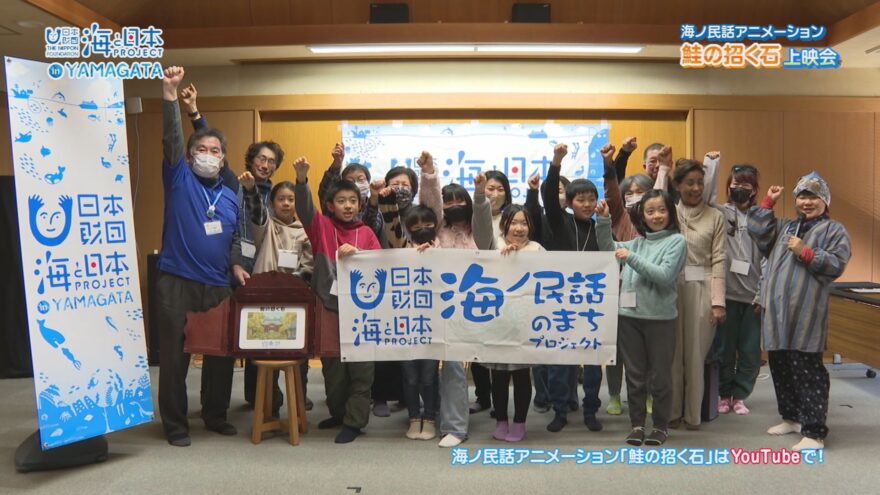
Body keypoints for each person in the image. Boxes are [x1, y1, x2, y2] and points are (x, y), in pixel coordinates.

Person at [156, 66, 248, 447]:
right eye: (201, 151)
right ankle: (176, 425)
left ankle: (214, 415)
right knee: (175, 361)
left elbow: (236, 238)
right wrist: (171, 97)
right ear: (190, 157)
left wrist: (238, 263)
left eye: (215, 152)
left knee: (220, 356)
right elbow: (174, 140)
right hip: (176, 280)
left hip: (217, 285)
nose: (207, 155)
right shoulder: (179, 179)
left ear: (223, 160)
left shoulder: (229, 194)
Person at [748, 172, 851, 451]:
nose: (807, 202)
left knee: (808, 370)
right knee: (780, 366)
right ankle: (792, 418)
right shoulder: (786, 227)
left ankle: (814, 431)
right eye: (803, 196)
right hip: (777, 314)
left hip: (806, 314)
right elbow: (757, 230)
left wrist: (806, 252)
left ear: (825, 201)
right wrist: (768, 200)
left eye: (813, 197)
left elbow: (837, 264)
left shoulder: (835, 230)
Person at [293, 156, 382, 443]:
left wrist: (359, 256)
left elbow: (382, 267)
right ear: (331, 205)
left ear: (359, 204)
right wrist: (302, 180)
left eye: (353, 201)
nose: (347, 206)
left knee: (360, 369)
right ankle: (339, 412)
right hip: (328, 307)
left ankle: (354, 422)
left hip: (361, 311)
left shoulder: (366, 232)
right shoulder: (321, 227)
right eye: (341, 201)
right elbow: (305, 210)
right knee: (333, 368)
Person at [416, 151, 495, 447]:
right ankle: (430, 415)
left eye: (458, 199)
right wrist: (429, 171)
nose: (453, 205)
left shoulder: (480, 232)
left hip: (471, 310)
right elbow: (430, 204)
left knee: (453, 368)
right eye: (448, 201)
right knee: (427, 368)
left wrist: (477, 195)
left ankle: (455, 427)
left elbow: (484, 223)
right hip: (434, 306)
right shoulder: (437, 230)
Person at [595, 190, 687, 446]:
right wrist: (602, 221)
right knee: (634, 376)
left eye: (661, 210)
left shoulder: (677, 241)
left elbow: (664, 276)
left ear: (670, 213)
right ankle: (636, 425)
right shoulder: (637, 243)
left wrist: (631, 258)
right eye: (650, 211)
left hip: (660, 319)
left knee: (660, 377)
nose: (656, 216)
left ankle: (660, 426)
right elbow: (607, 248)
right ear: (642, 215)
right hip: (629, 318)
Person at [240, 174, 315, 417]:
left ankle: (298, 403)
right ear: (272, 203)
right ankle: (269, 406)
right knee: (266, 353)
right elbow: (256, 212)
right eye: (280, 199)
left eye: (291, 199)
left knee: (299, 356)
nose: (286, 203)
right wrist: (251, 190)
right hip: (266, 300)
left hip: (294, 301)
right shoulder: (266, 225)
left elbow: (309, 265)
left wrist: (294, 280)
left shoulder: (304, 230)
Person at [540, 143, 603, 434]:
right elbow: (549, 196)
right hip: (560, 302)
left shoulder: (600, 227)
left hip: (592, 303)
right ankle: (560, 410)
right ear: (570, 202)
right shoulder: (559, 221)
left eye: (592, 199)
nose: (587, 204)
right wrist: (556, 162)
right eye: (581, 199)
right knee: (559, 360)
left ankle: (590, 408)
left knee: (591, 361)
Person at [662, 157, 726, 430]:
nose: (696, 188)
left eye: (700, 182)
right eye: (689, 183)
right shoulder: (667, 214)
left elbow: (720, 259)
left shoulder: (716, 216)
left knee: (695, 355)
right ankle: (673, 412)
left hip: (703, 288)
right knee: (673, 355)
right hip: (670, 289)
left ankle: (693, 416)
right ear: (677, 185)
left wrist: (718, 303)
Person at [485, 204, 545, 442]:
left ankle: (519, 423)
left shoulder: (538, 249)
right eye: (514, 222)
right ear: (503, 226)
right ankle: (501, 421)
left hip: (525, 323)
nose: (519, 228)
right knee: (498, 377)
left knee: (521, 376)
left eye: (524, 223)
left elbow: (552, 277)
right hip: (496, 323)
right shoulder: (493, 245)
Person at [712, 164, 764, 416]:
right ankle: (723, 394)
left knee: (750, 351)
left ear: (754, 190)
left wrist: (761, 294)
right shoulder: (721, 212)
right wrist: (713, 164)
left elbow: (768, 258)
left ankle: (740, 396)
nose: (739, 189)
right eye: (735, 184)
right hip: (728, 295)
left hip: (753, 297)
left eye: (745, 185)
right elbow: (708, 196)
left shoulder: (763, 217)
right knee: (724, 349)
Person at [398, 205, 441, 441]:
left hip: (433, 323)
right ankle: (414, 417)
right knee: (410, 376)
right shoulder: (402, 248)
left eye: (427, 223)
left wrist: (433, 257)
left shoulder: (442, 249)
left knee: (429, 375)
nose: (422, 228)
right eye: (416, 224)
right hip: (404, 323)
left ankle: (431, 418)